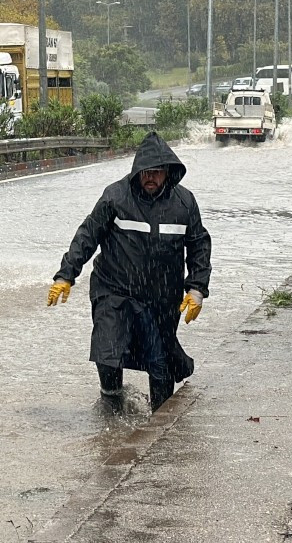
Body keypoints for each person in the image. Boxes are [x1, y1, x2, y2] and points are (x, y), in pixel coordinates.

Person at [46, 132, 212, 412]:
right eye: (145, 172)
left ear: (168, 173)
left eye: (156, 173)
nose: (150, 178)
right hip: (114, 289)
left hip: (160, 298)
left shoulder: (184, 204)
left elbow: (199, 247)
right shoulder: (116, 196)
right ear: (137, 171)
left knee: (160, 364)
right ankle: (111, 403)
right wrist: (66, 275)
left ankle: (160, 422)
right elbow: (88, 235)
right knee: (108, 351)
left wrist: (196, 289)